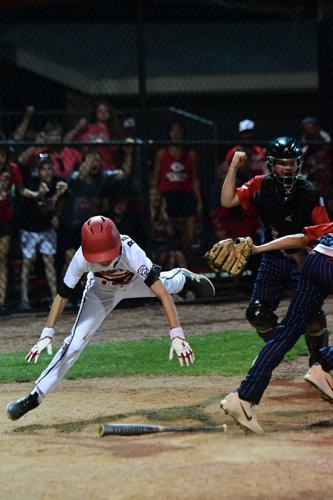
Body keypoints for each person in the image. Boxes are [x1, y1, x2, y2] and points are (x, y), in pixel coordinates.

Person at [6, 215, 215, 420]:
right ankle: (35, 396)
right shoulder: (81, 258)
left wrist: (177, 335)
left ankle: (184, 277)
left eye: (106, 254)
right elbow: (62, 296)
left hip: (134, 283)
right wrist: (47, 333)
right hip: (100, 293)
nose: (104, 261)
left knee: (167, 285)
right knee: (75, 344)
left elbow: (162, 294)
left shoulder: (131, 251)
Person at [220, 138, 330, 366]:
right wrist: (233, 167)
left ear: (299, 164)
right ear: (271, 163)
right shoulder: (261, 185)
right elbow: (227, 200)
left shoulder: (309, 193)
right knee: (258, 314)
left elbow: (320, 236)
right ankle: (278, 348)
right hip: (273, 260)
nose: (287, 168)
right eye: (281, 163)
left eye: (291, 163)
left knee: (312, 317)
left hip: (304, 260)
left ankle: (321, 364)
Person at [220, 221, 333, 435]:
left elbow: (301, 239)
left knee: (287, 330)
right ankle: (324, 365)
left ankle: (243, 397)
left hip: (316, 260)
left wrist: (255, 249)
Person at [0, 145, 49, 316]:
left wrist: (36, 194)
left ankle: (1, 303)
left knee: (2, 258)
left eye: (2, 154)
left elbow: (21, 190)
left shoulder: (12, 169)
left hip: (5, 218)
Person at [17, 155, 67, 310]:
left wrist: (57, 213)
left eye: (49, 168)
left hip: (46, 228)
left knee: (49, 260)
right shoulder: (33, 182)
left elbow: (61, 205)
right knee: (28, 260)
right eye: (43, 169)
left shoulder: (57, 182)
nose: (47, 172)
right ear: (38, 170)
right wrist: (55, 195)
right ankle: (24, 299)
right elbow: (43, 207)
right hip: (29, 228)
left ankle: (54, 298)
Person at [152, 119, 203, 263]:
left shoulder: (191, 154)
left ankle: (187, 263)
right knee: (170, 233)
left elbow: (195, 179)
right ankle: (170, 264)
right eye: (173, 130)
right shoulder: (162, 154)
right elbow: (155, 178)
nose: (176, 134)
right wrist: (155, 197)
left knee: (189, 234)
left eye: (179, 131)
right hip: (167, 196)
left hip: (186, 195)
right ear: (169, 133)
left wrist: (199, 201)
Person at [64, 101, 122, 171]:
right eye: (100, 111)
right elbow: (66, 141)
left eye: (106, 111)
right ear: (95, 113)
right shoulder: (87, 128)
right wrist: (78, 128)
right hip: (88, 167)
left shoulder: (113, 130)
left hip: (108, 167)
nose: (103, 113)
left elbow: (115, 149)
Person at [300, 116, 332, 197]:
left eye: (311, 127)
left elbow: (327, 150)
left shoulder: (324, 136)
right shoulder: (305, 137)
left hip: (323, 162)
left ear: (316, 127)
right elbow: (304, 151)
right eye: (307, 128)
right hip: (311, 163)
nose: (310, 130)